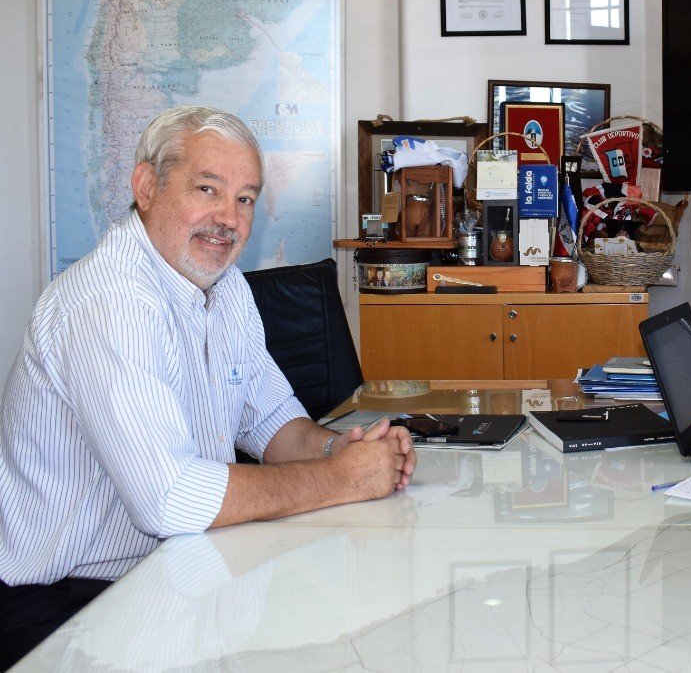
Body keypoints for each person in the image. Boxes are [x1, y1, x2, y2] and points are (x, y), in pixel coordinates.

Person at [0, 106, 417, 666]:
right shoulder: (110, 302)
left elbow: (272, 422)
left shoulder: (227, 289)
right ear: (147, 187)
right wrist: (340, 479)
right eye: (207, 189)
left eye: (245, 198)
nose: (229, 218)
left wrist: (342, 449)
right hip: (63, 604)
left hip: (174, 575)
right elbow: (169, 499)